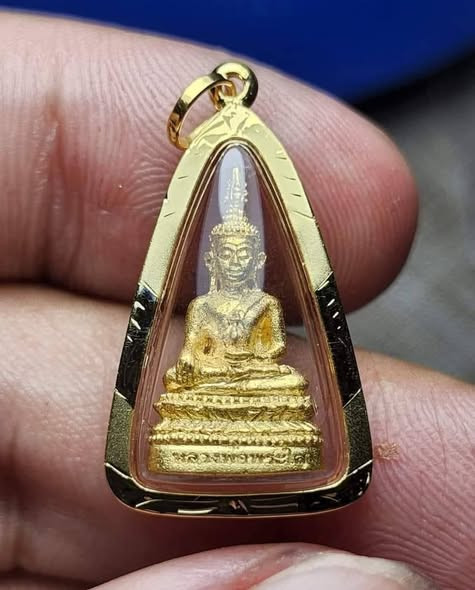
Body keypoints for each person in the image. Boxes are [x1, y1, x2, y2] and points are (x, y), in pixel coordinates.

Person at [0, 12, 472, 590]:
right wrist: (199, 374)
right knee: (178, 390)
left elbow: (271, 359)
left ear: (257, 260)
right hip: (209, 398)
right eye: (221, 256)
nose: (231, 263)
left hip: (257, 393)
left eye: (242, 257)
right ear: (212, 259)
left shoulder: (265, 306)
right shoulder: (201, 309)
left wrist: (245, 370)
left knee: (287, 382)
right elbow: (193, 363)